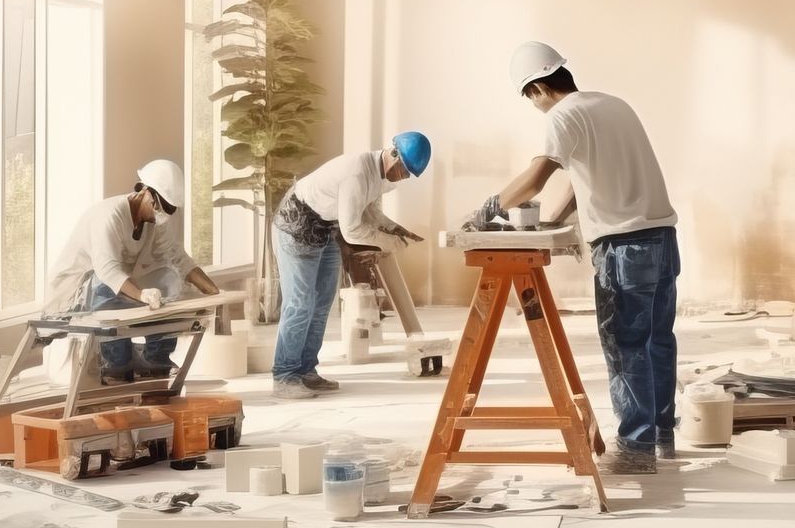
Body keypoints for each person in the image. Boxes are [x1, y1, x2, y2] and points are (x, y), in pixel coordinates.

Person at [475, 42, 679, 474]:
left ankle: (635, 450)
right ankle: (662, 436)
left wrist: (490, 207)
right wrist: (553, 219)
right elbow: (589, 173)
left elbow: (535, 178)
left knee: (626, 347)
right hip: (661, 235)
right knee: (657, 340)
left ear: (536, 89)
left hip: (624, 248)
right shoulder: (613, 105)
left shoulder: (562, 115)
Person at [271, 132, 430, 399]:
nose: (404, 177)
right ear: (392, 153)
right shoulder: (357, 172)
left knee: (322, 304)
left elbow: (366, 209)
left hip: (325, 227)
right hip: (297, 226)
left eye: (409, 174)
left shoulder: (378, 174)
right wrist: (389, 243)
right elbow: (354, 229)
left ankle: (307, 371)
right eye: (404, 170)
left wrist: (392, 229)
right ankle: (285, 375)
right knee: (300, 303)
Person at [44, 159, 220, 385]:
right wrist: (141, 295)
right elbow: (107, 270)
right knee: (104, 284)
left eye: (169, 210)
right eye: (160, 207)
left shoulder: (155, 220)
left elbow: (177, 257)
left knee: (171, 279)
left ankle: (156, 362)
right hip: (79, 293)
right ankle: (116, 364)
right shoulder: (108, 216)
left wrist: (212, 290)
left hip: (117, 290)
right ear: (146, 192)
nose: (162, 214)